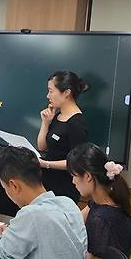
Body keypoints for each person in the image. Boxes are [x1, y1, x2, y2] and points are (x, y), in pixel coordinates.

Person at [67, 142, 131, 259]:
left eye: (74, 176)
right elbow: (77, 219)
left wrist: (74, 246)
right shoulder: (105, 199)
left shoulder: (101, 219)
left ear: (88, 176)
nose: (73, 182)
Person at [37, 70, 89, 202]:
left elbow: (76, 162)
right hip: (48, 181)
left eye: (51, 91)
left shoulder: (77, 123)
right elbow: (42, 147)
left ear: (66, 93)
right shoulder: (58, 115)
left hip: (65, 186)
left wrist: (46, 164)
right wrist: (45, 123)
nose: (48, 96)